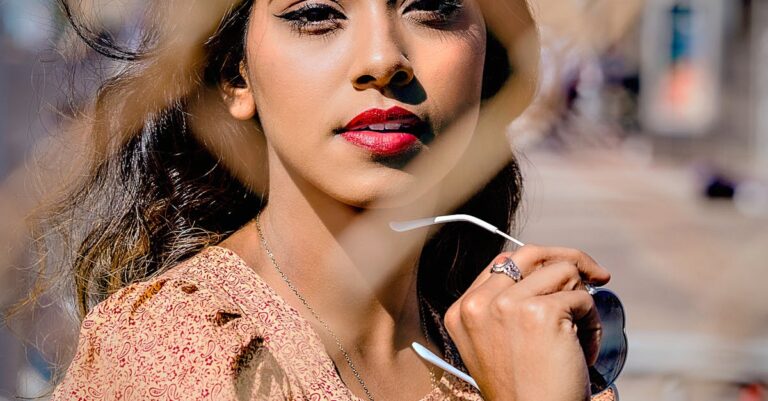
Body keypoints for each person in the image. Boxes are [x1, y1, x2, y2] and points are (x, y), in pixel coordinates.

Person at [48, 0, 615, 400]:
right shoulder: (175, 351)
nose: (382, 61)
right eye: (315, 13)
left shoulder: (506, 337)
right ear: (233, 78)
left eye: (432, 6)